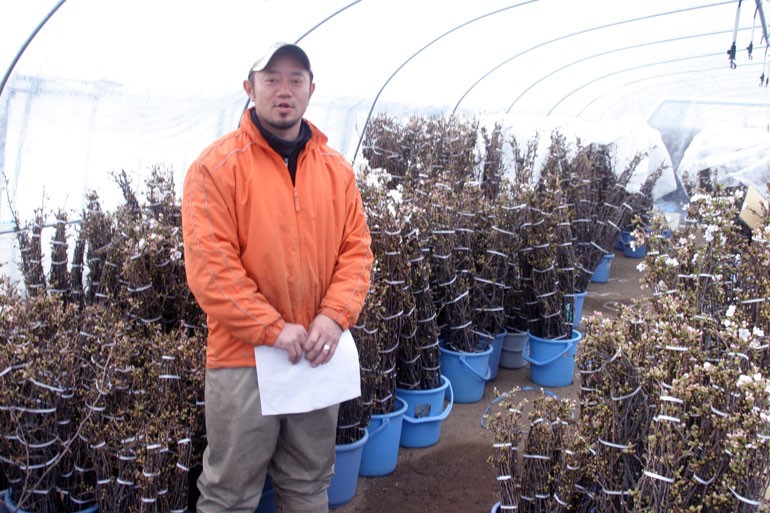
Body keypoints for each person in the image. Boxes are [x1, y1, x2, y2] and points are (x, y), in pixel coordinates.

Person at [181, 42, 373, 513]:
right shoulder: (216, 168)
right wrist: (271, 329)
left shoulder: (336, 171)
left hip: (314, 353)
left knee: (308, 482)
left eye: (295, 80)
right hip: (243, 358)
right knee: (229, 492)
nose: (283, 91)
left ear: (311, 90)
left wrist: (333, 317)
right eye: (270, 79)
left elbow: (356, 251)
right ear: (249, 88)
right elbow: (212, 269)